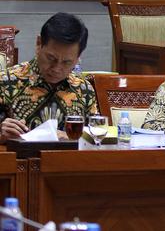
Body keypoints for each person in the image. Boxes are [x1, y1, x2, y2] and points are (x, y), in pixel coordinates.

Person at [0, 12, 98, 142]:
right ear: (39, 43)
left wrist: (72, 138)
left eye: (67, 62)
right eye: (51, 58)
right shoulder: (6, 82)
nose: (57, 68)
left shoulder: (84, 89)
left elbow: (97, 136)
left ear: (78, 57)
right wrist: (1, 135)